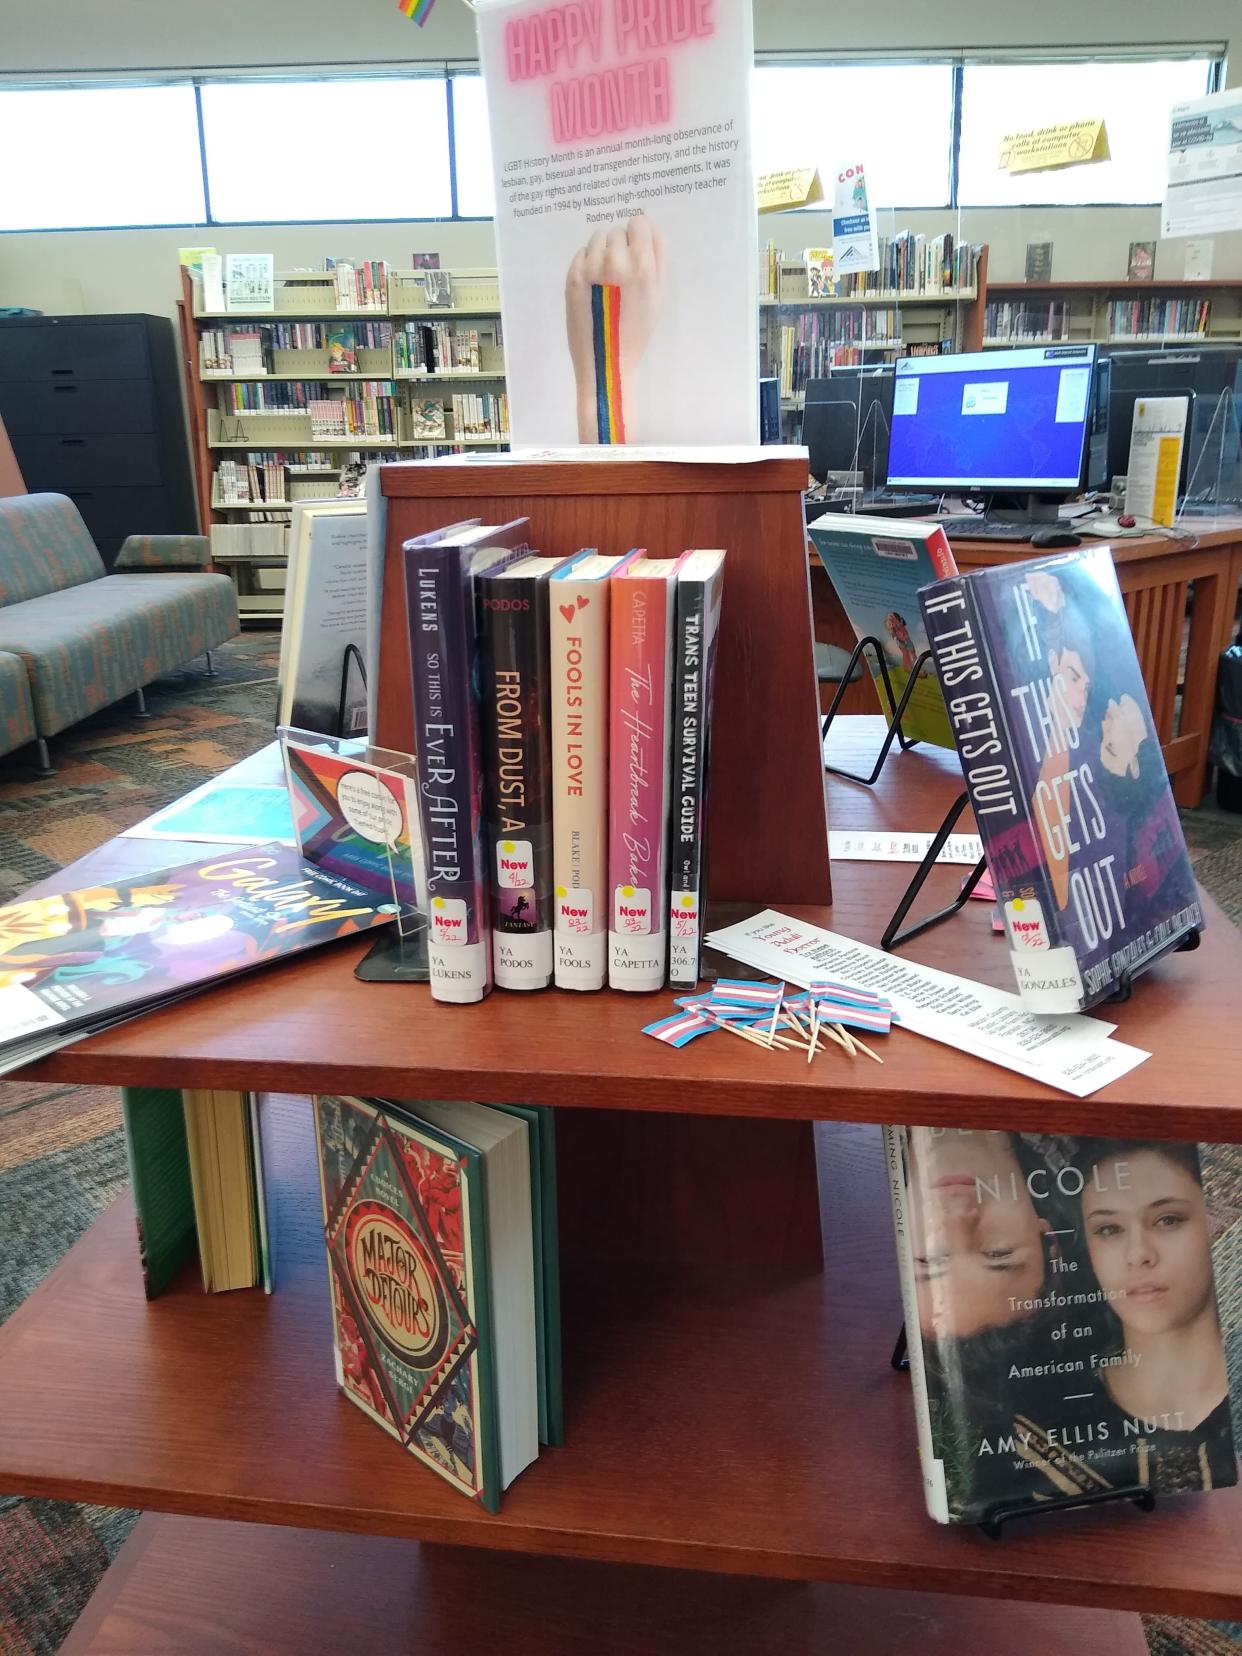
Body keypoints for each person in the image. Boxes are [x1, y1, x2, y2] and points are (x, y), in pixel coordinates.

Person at [1069, 1138, 1235, 1493]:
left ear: (1213, 1224)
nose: (1138, 1254)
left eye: (1167, 1219)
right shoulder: (1055, 1414)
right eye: (1108, 1230)